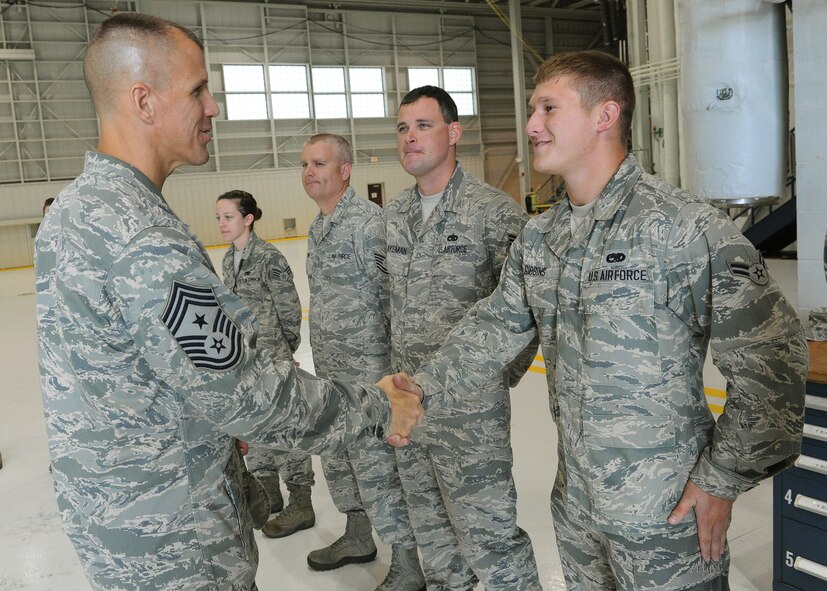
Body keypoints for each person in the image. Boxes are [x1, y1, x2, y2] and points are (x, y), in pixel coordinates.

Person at [34, 13, 422, 591]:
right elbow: (245, 395)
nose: (213, 107)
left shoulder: (71, 212)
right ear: (144, 102)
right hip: (175, 537)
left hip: (116, 519)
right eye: (197, 90)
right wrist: (378, 407)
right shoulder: (144, 237)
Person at [403, 50, 808, 591]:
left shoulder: (680, 228)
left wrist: (722, 478)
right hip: (577, 515)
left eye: (547, 108)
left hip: (665, 518)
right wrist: (413, 393)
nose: (531, 125)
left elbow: (773, 362)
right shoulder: (541, 239)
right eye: (531, 110)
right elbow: (490, 331)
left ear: (605, 116)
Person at [386, 86, 542, 591]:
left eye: (423, 126)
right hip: (409, 404)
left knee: (489, 538)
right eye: (403, 128)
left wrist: (496, 380)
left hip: (469, 414)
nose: (410, 137)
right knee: (431, 534)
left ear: (454, 133)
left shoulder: (493, 213)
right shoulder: (394, 216)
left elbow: (529, 308)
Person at [299, 133, 426, 590]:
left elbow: (395, 298)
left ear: (345, 170)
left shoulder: (368, 224)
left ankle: (408, 564)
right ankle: (357, 536)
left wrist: (395, 376)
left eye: (319, 163)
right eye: (305, 165)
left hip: (370, 380)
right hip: (333, 376)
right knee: (338, 460)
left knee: (378, 471)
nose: (309, 172)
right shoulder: (319, 226)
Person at [216, 190, 311, 529]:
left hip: (273, 358)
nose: (222, 224)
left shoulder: (268, 257)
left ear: (248, 218)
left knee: (285, 428)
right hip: (246, 361)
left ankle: (302, 502)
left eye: (228, 217)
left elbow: (289, 309)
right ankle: (270, 492)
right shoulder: (229, 260)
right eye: (219, 218)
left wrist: (283, 353)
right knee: (254, 428)